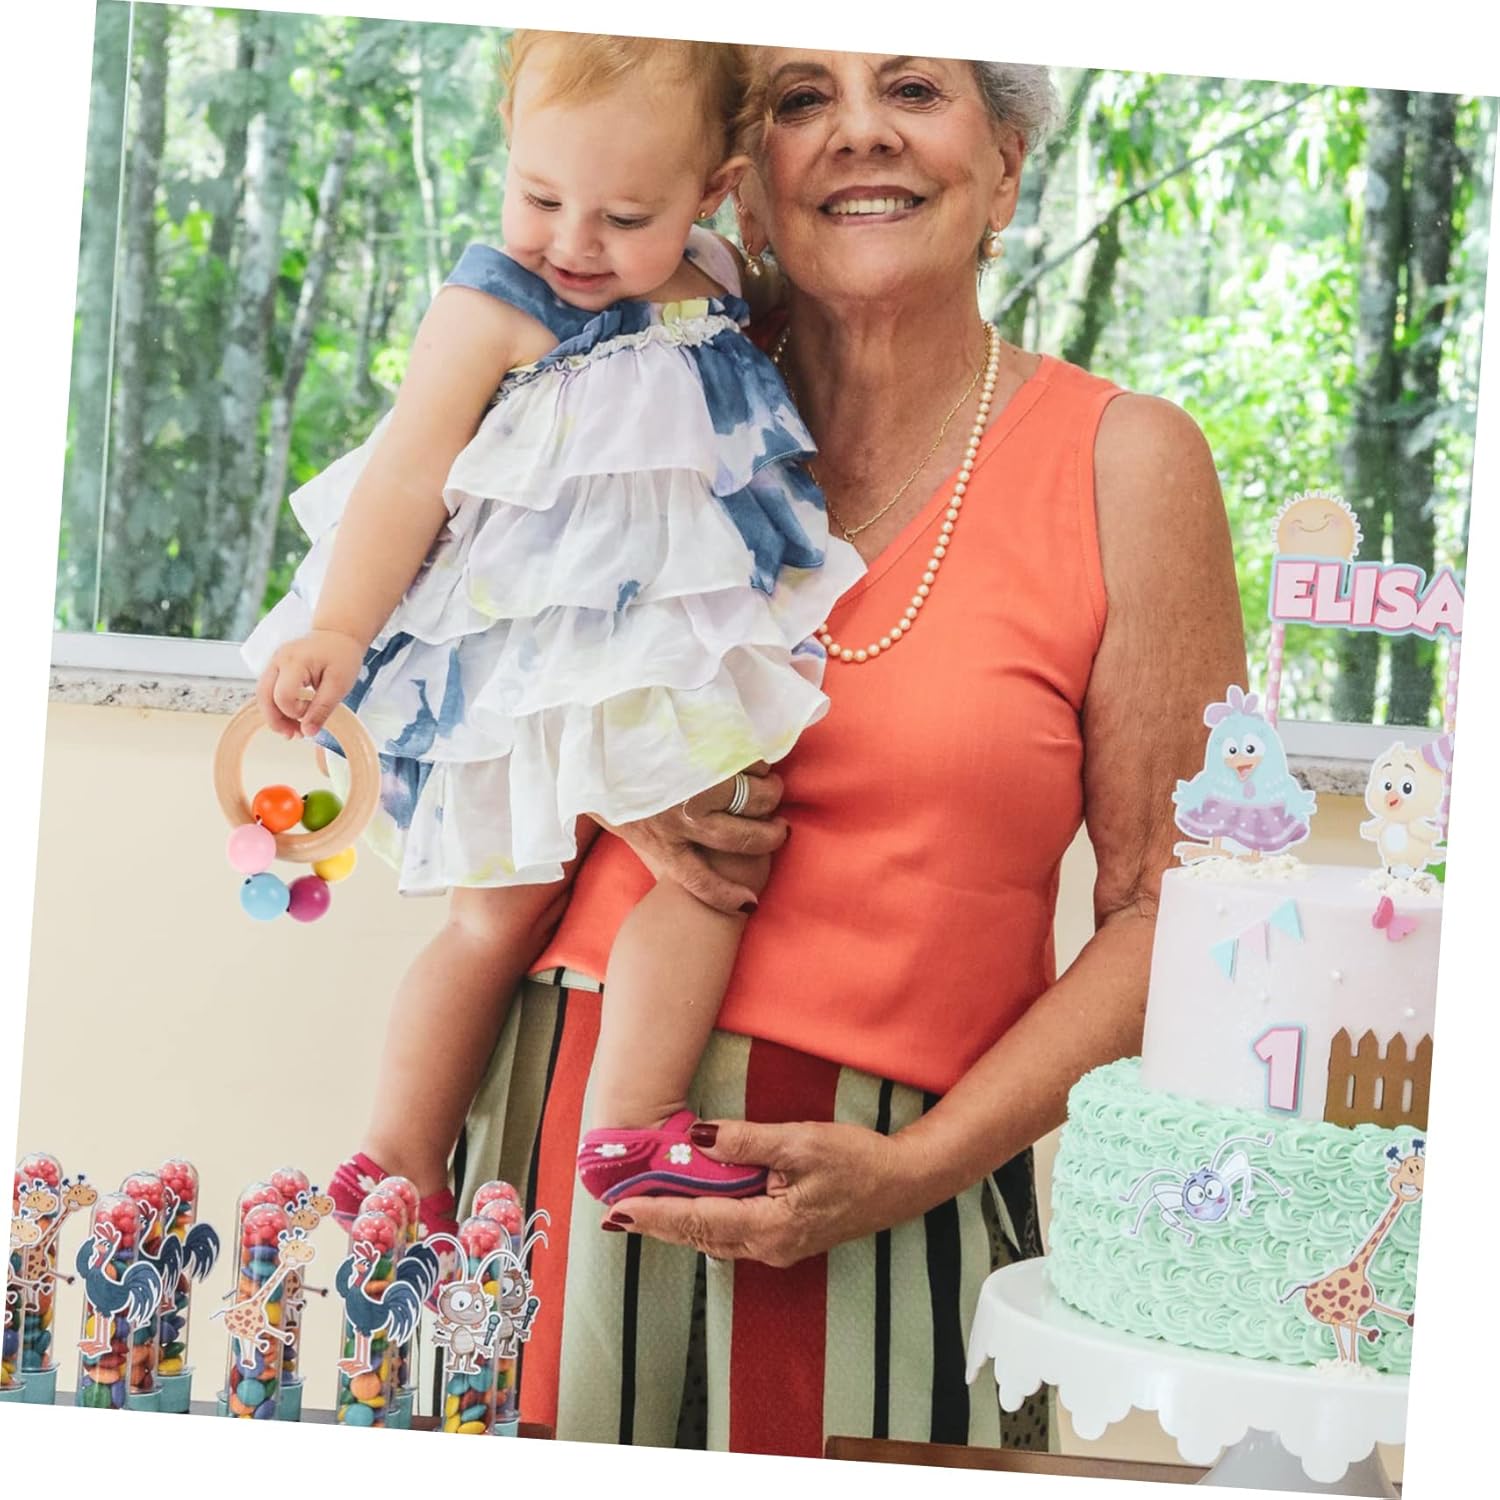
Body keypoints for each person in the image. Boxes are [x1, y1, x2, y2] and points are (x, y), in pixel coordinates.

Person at [456, 46, 1247, 1455]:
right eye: (802, 98)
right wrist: (607, 775)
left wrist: (918, 1167)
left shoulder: (1130, 462)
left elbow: (1170, 909)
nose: (860, 133)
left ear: (1005, 167)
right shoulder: (620, 375)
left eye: (916, 91)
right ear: (738, 181)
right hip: (567, 1136)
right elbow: (437, 680)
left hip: (900, 1181)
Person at [241, 31, 864, 1237]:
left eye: (625, 217)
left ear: (712, 192)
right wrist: (339, 630)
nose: (574, 242)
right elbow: (406, 475)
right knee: (499, 911)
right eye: (539, 197)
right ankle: (398, 1154)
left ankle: (630, 1125)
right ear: (509, 150)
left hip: (652, 640)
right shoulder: (490, 305)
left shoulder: (717, 277)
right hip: (523, 660)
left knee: (713, 853)